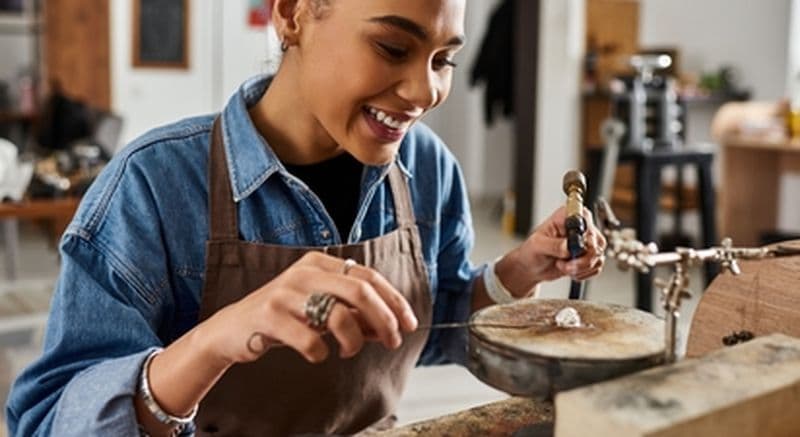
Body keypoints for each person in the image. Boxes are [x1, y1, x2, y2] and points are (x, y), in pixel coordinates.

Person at [6, 0, 605, 435]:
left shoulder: (428, 169)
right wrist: (218, 338)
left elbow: (426, 325)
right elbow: (46, 421)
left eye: (444, 59)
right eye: (394, 48)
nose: (424, 91)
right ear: (292, 13)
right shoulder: (153, 186)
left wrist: (518, 271)